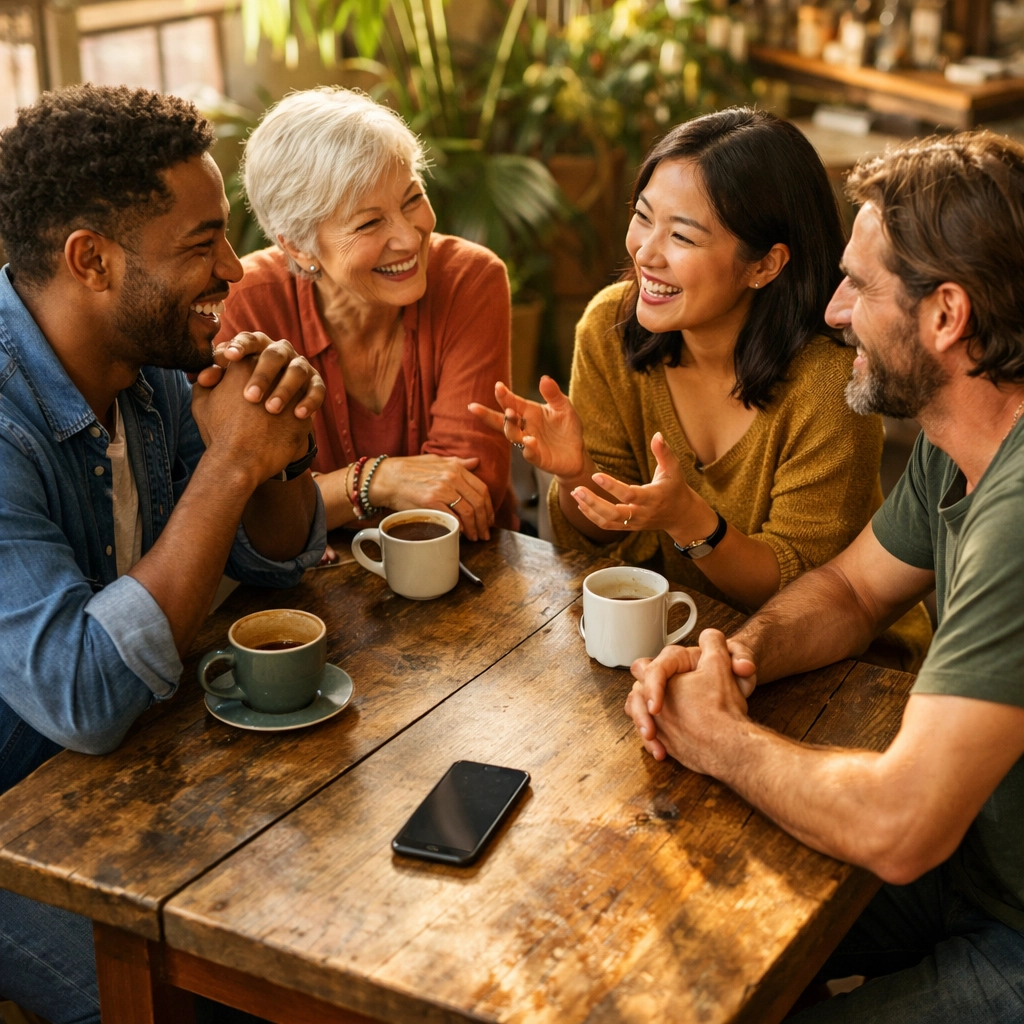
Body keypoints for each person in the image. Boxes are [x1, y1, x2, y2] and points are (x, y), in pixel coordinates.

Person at [627, 130, 1024, 1022]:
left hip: (1005, 916)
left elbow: (901, 822)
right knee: (677, 934)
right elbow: (851, 589)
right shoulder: (960, 438)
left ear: (945, 315)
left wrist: (722, 740)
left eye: (859, 286)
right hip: (976, 861)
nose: (834, 309)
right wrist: (736, 659)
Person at [0, 85, 326, 1024]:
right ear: (90, 261)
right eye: (202, 243)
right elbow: (85, 696)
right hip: (16, 814)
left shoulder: (140, 365)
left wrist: (277, 447)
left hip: (132, 774)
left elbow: (273, 565)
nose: (233, 267)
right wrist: (229, 463)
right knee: (222, 1003)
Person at [471, 108, 929, 665]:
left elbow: (804, 597)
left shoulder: (832, 380)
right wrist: (574, 476)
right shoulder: (610, 328)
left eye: (682, 236)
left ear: (764, 264)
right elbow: (596, 548)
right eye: (643, 217)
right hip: (674, 642)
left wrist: (690, 519)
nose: (645, 252)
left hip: (844, 671)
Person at [217, 86, 515, 542]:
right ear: (298, 246)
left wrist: (317, 510)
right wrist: (381, 480)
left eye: (412, 199)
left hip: (468, 569)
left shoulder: (470, 280)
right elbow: (246, 514)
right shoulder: (246, 304)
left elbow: (467, 494)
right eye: (370, 222)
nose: (410, 238)